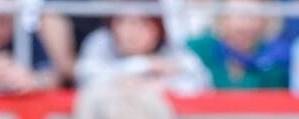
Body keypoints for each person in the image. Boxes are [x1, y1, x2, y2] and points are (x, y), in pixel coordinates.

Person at [74, 10, 211, 91]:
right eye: (123, 21)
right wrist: (144, 65)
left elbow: (201, 82)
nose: (131, 31)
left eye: (142, 23)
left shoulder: (171, 49)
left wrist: (160, 86)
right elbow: (86, 79)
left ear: (158, 29)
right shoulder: (101, 41)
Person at [186, 3, 289, 90]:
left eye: (253, 16)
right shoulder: (201, 48)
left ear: (265, 21)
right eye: (239, 15)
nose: (245, 24)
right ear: (222, 20)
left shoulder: (276, 60)